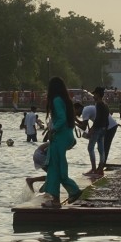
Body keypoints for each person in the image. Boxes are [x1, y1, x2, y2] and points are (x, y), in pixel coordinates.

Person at [40, 77, 81, 208]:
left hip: (60, 136)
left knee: (54, 166)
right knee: (56, 166)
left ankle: (71, 191)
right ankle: (56, 198)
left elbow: (62, 118)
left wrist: (53, 130)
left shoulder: (57, 100)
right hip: (66, 135)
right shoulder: (65, 100)